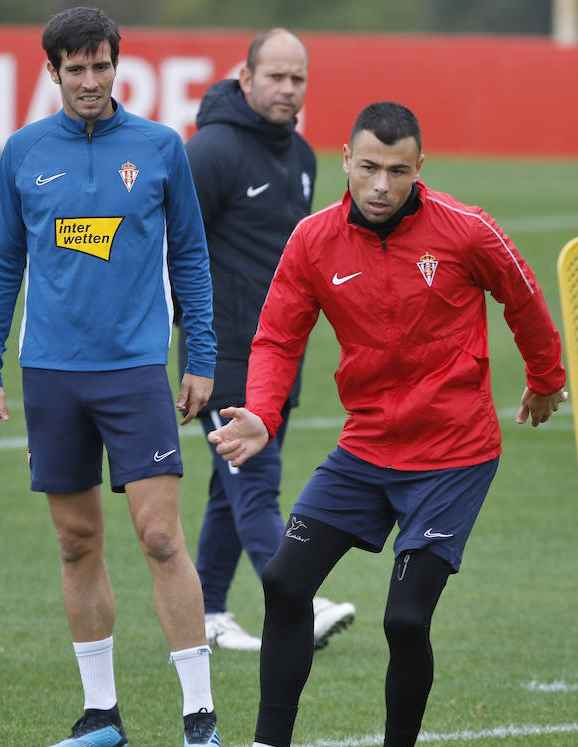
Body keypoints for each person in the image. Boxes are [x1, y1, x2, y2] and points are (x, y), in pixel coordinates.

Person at [171, 101, 569, 747]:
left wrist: (545, 375)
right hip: (367, 447)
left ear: (421, 169)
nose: (381, 184)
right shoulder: (314, 240)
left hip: (452, 453)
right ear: (345, 161)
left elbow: (522, 292)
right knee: (286, 581)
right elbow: (277, 334)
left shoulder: (465, 230)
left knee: (405, 618)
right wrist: (261, 408)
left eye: (398, 170)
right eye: (368, 167)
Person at [0, 7, 223, 747]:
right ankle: (99, 715)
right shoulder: (22, 153)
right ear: (52, 72)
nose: (89, 80)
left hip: (135, 372)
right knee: (76, 542)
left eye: (101, 66)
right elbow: (0, 269)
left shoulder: (158, 148)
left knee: (159, 536)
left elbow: (190, 258)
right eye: (75, 68)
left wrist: (200, 356)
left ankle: (201, 719)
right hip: (50, 374)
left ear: (119, 66)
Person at [176, 27, 354, 653]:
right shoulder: (210, 154)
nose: (287, 89)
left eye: (297, 79)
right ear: (245, 79)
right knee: (254, 477)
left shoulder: (302, 157)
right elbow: (172, 253)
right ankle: (299, 603)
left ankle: (210, 613)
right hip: (220, 352)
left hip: (282, 354)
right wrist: (184, 345)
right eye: (275, 76)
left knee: (231, 488)